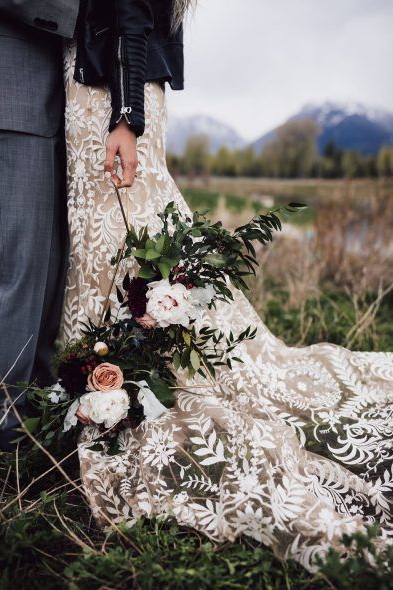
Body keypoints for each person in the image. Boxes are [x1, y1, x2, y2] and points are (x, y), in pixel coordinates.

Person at [63, 0, 392, 571]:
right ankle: (109, 361)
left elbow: (133, 12)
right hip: (116, 82)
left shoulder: (120, 100)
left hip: (110, 93)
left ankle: (118, 374)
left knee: (117, 235)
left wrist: (125, 115)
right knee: (117, 238)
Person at [0, 0, 80, 450]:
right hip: (14, 96)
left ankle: (36, 413)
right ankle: (6, 427)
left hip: (58, 104)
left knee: (49, 266)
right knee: (19, 270)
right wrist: (86, 13)